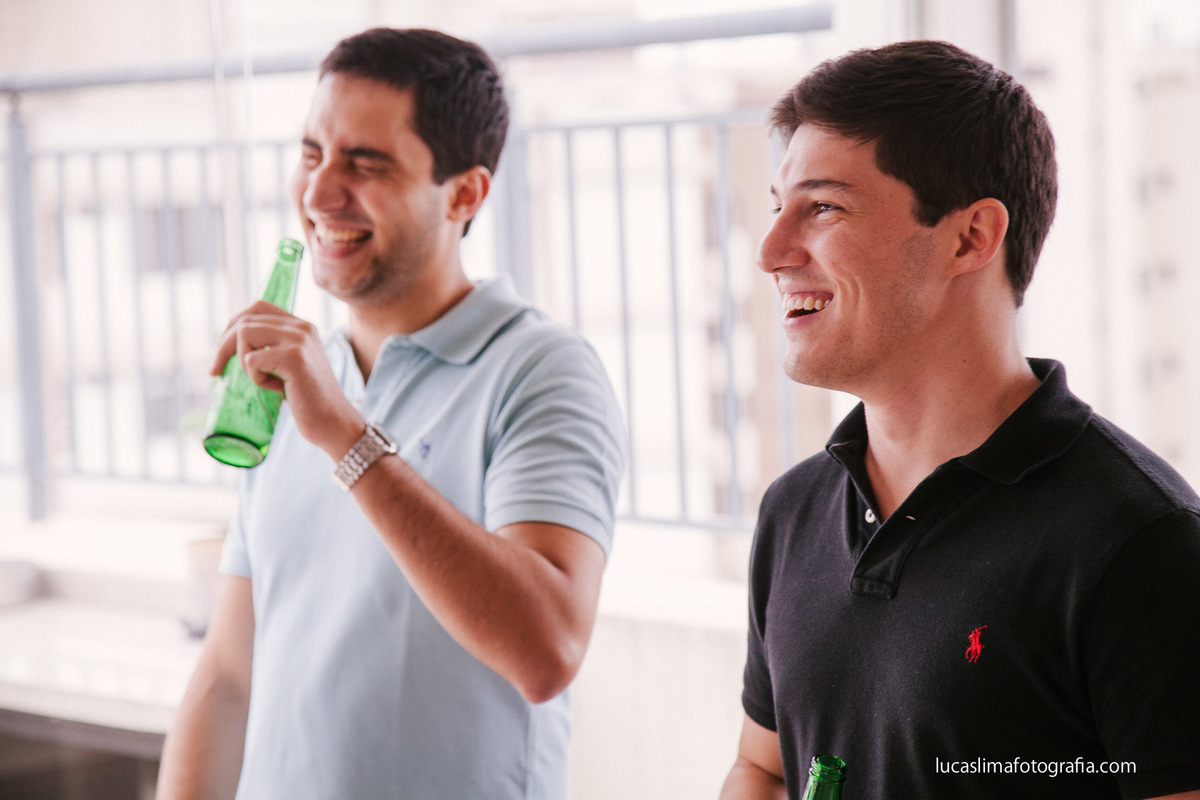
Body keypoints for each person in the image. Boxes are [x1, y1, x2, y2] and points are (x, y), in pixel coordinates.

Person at [720, 40, 1200, 800]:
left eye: (823, 207)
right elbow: (765, 767)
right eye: (780, 208)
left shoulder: (1143, 543)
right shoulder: (793, 512)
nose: (772, 250)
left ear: (971, 236)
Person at [157, 28, 625, 800]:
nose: (319, 193)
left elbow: (547, 648)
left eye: (365, 164)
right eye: (312, 154)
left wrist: (344, 434)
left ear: (465, 193)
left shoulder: (541, 370)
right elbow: (232, 676)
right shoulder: (302, 378)